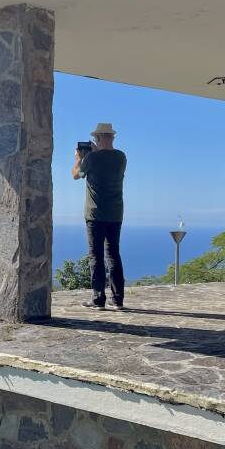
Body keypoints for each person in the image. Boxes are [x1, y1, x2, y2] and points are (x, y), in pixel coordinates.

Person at [71, 123, 127, 311]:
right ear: (111, 137)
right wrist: (95, 153)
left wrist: (79, 159)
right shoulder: (121, 157)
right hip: (115, 213)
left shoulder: (91, 158)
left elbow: (76, 175)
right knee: (113, 254)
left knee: (96, 255)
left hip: (95, 214)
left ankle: (98, 299)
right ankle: (117, 300)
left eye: (96, 138)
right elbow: (106, 164)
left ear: (99, 137)